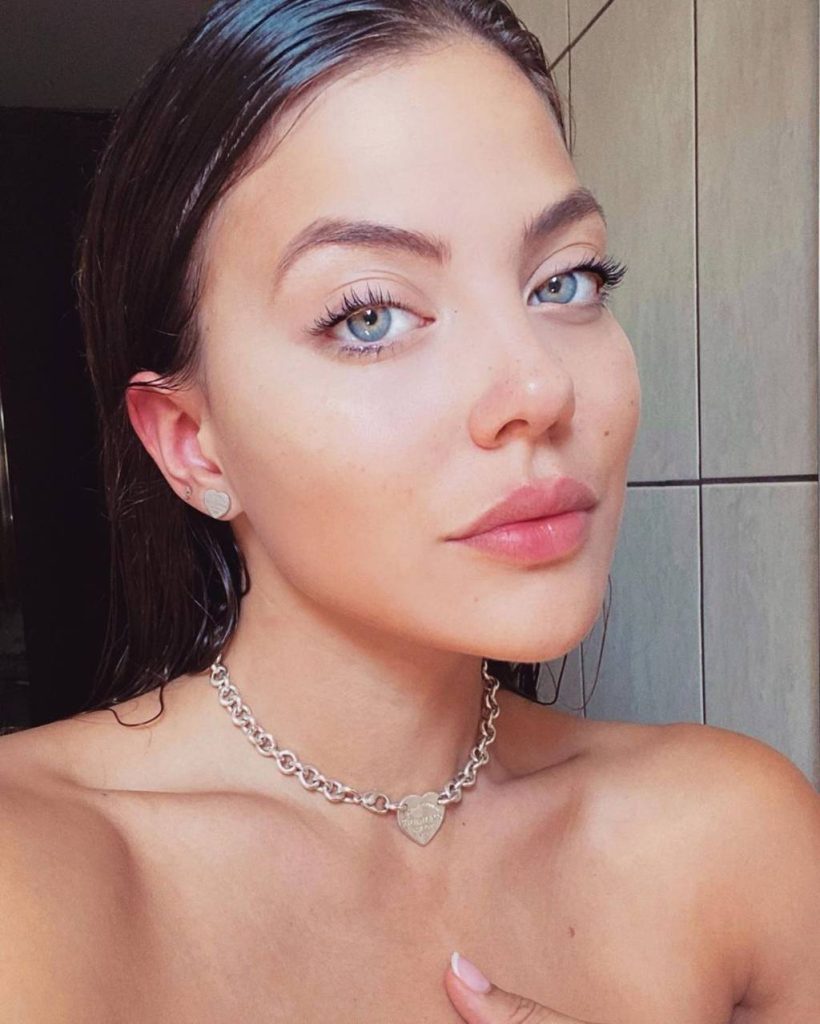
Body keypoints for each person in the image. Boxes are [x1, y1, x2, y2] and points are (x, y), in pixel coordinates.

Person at [1, 1, 818, 1021]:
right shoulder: (34, 879)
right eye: (370, 315)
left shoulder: (738, 840)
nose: (539, 387)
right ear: (193, 442)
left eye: (564, 280)